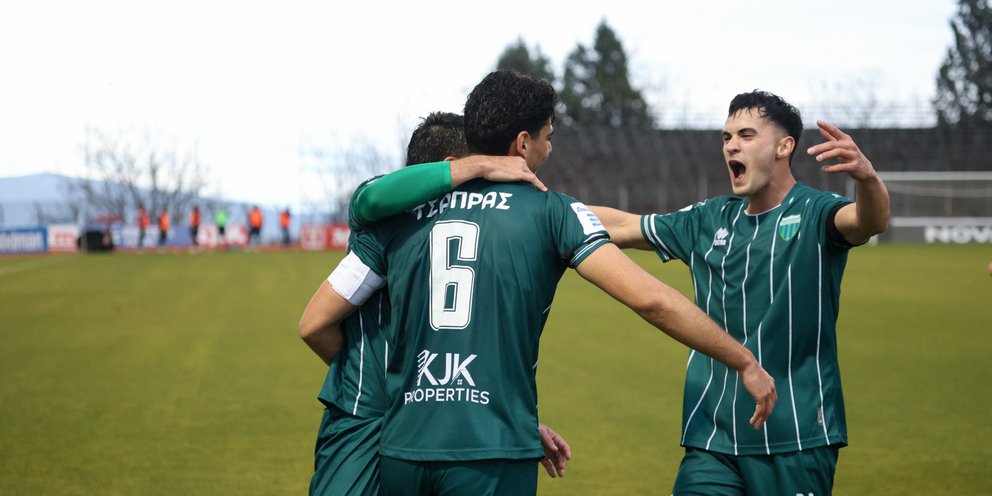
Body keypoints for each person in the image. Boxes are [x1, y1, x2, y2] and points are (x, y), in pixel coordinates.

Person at [347, 71, 776, 496]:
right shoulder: (552, 211)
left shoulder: (404, 210)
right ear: (522, 143)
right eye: (547, 137)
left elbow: (365, 201)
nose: (550, 149)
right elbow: (651, 300)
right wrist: (743, 361)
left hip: (403, 450)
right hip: (493, 449)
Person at [589, 90, 890, 495]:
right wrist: (544, 208)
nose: (732, 145)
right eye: (727, 137)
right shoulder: (708, 219)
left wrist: (867, 179)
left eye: (746, 135)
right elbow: (623, 225)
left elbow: (870, 221)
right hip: (712, 439)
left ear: (784, 147)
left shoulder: (816, 212)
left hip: (796, 435)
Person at [299, 111, 562, 496]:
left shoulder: (442, 232)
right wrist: (367, 378)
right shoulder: (385, 219)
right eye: (475, 174)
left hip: (415, 418)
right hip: (369, 416)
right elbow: (313, 325)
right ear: (453, 167)